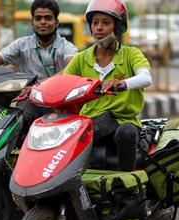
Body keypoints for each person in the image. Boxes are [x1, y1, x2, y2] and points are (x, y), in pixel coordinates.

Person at [0, 0, 78, 137]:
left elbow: (70, 67)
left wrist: (40, 86)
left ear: (56, 22)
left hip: (59, 102)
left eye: (48, 18)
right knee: (16, 123)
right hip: (29, 100)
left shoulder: (67, 47)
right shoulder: (21, 44)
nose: (43, 22)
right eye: (38, 18)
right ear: (32, 23)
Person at [63, 0, 153, 171]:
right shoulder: (81, 58)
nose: (98, 27)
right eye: (95, 22)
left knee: (126, 132)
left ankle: (129, 182)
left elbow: (145, 78)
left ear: (118, 27)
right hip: (90, 125)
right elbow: (64, 82)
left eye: (106, 23)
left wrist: (122, 83)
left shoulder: (130, 54)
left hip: (123, 123)